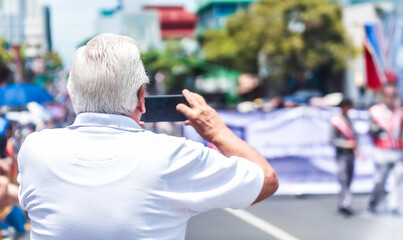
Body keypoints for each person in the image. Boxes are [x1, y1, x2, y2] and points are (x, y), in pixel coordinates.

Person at [17, 33, 279, 240]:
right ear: (141, 96)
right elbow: (266, 180)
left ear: (72, 95)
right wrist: (217, 131)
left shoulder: (35, 149)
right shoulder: (173, 155)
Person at [368, 83, 403, 214]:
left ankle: (394, 205)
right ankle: (375, 201)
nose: (390, 99)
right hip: (381, 150)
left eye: (393, 96)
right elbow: (370, 129)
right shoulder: (375, 111)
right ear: (383, 96)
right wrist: (377, 130)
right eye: (388, 95)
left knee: (398, 178)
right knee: (380, 180)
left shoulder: (399, 112)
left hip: (398, 150)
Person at [330, 98, 356, 216]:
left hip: (350, 153)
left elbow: (355, 137)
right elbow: (332, 139)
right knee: (344, 178)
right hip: (342, 153)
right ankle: (345, 203)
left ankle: (345, 201)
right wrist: (345, 144)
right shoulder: (337, 121)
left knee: (349, 178)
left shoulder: (350, 120)